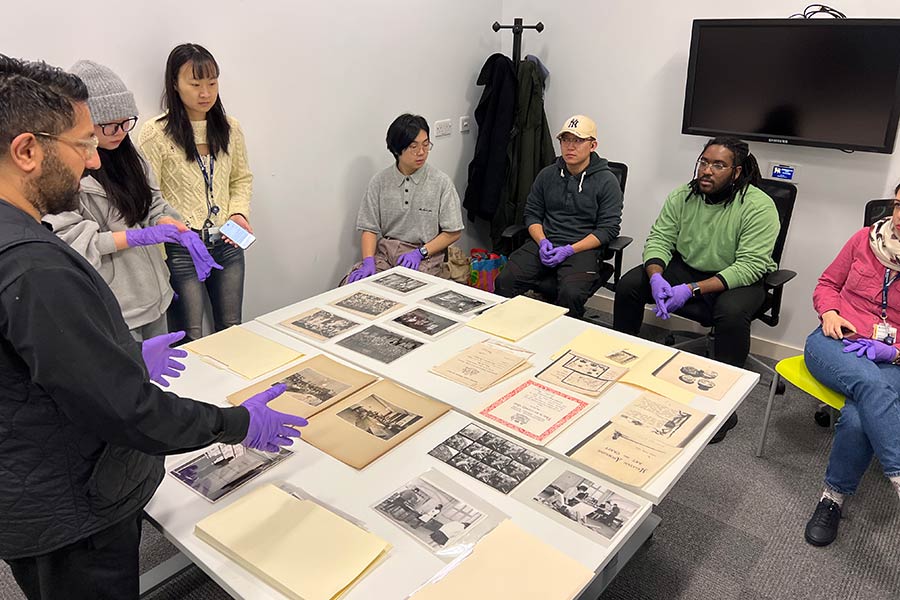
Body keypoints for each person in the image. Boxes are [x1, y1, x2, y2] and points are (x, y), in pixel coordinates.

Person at [0, 55, 305, 600]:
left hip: (37, 487)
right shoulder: (34, 264)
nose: (94, 161)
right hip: (70, 506)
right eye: (82, 144)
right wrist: (237, 423)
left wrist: (112, 356)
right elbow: (127, 411)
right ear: (27, 150)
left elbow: (33, 364)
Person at [613, 136, 779, 443]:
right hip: (689, 266)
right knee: (629, 286)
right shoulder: (683, 196)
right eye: (704, 162)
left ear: (737, 172)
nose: (707, 170)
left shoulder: (759, 206)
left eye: (718, 165)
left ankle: (723, 408)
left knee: (730, 313)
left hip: (737, 276)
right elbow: (659, 239)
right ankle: (623, 367)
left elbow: (750, 265)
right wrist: (655, 276)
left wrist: (690, 290)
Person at [44, 60, 220, 341]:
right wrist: (138, 237)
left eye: (126, 122)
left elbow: (153, 202)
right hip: (115, 307)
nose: (121, 132)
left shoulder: (130, 154)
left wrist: (172, 225)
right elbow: (73, 243)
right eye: (109, 126)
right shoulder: (62, 174)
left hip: (155, 295)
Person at [801, 186, 900, 547]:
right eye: (899, 205)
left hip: (889, 357)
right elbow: (827, 283)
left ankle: (832, 499)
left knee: (858, 417)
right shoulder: (864, 239)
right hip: (834, 342)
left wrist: (894, 353)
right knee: (872, 389)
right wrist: (828, 312)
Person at [139, 43, 253, 342]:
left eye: (212, 83)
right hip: (182, 247)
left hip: (228, 240)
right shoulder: (156, 133)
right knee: (188, 335)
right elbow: (149, 195)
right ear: (175, 85)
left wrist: (239, 213)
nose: (205, 93)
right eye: (195, 83)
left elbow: (241, 179)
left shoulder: (230, 128)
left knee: (231, 328)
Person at [493, 115, 624, 319]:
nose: (570, 147)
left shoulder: (607, 181)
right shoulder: (547, 175)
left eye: (578, 140)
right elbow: (533, 214)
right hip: (545, 243)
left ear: (592, 145)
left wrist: (570, 249)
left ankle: (564, 342)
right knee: (505, 280)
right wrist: (542, 240)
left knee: (570, 295)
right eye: (565, 140)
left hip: (582, 248)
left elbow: (608, 229)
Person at [344, 114, 463, 283]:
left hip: (424, 256)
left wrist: (420, 252)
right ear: (397, 149)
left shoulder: (441, 182)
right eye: (413, 147)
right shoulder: (380, 182)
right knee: (352, 286)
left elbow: (453, 232)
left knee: (401, 293)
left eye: (426, 144)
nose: (421, 152)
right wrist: (368, 261)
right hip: (386, 254)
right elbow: (368, 228)